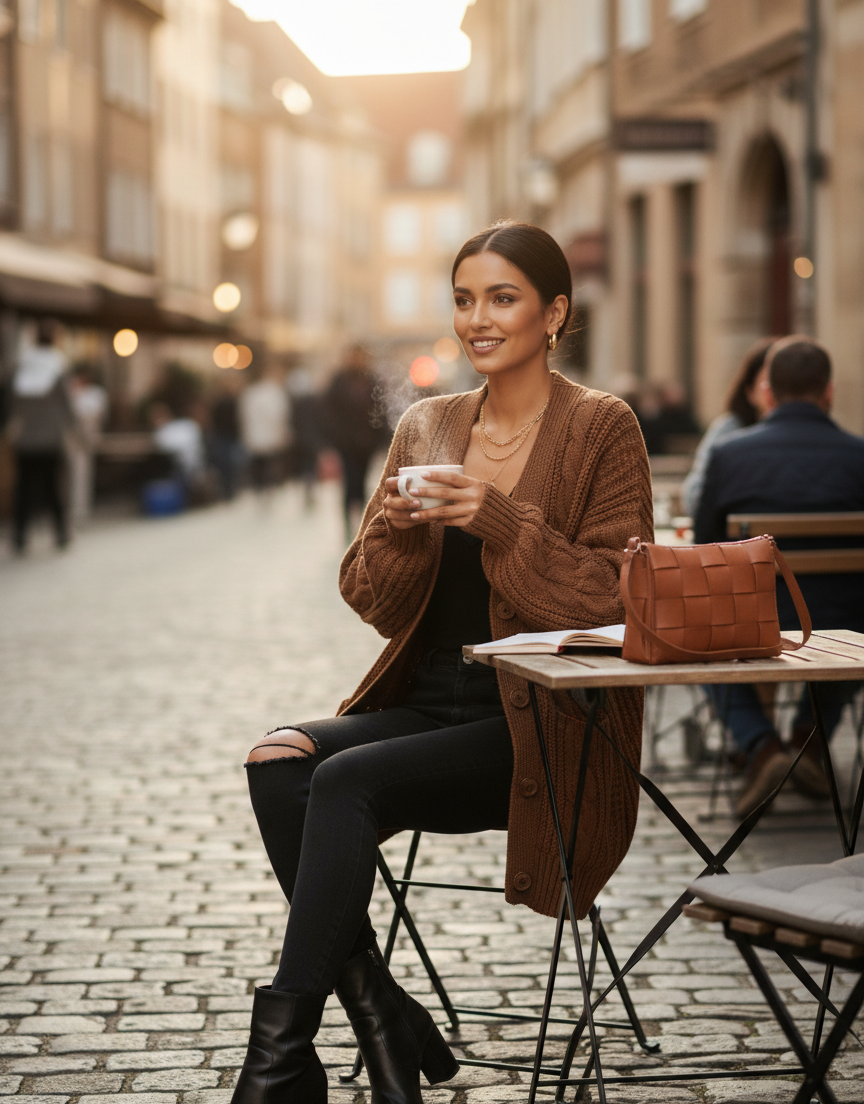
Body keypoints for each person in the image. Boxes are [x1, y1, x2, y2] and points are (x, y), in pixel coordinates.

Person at [231, 221, 654, 1104]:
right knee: (279, 761)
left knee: (346, 784)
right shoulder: (428, 423)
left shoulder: (601, 427)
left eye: (502, 298)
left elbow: (620, 596)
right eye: (464, 299)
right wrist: (393, 526)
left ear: (554, 313)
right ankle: (384, 1012)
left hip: (539, 724)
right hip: (427, 705)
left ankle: (277, 1063)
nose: (477, 318)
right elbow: (370, 599)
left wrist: (497, 520)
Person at [694, 336, 864, 817]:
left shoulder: (731, 456)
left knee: (700, 644)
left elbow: (706, 547)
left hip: (755, 623)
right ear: (828, 392)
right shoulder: (860, 456)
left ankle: (763, 746)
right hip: (850, 628)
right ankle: (808, 744)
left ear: (767, 393)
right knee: (853, 637)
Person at [682, 337, 776, 518]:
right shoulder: (728, 430)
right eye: (768, 384)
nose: (776, 392)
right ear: (751, 392)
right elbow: (695, 497)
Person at [8, 319, 75, 552]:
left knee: (23, 489)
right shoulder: (57, 364)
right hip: (50, 438)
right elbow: (67, 405)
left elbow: (12, 402)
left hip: (24, 437)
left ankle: (19, 537)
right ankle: (61, 534)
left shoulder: (23, 364)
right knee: (53, 488)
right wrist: (74, 431)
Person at [323, 345, 388, 539]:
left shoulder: (372, 379)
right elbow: (329, 412)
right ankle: (348, 525)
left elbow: (381, 410)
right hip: (346, 444)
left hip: (367, 443)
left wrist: (382, 439)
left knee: (362, 482)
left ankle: (361, 521)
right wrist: (335, 438)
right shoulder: (339, 381)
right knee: (349, 483)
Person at [239, 365, 290, 494]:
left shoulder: (250, 392)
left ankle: (260, 488)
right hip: (270, 435)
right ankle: (269, 488)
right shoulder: (274, 393)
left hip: (255, 436)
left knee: (259, 464)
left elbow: (243, 415)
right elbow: (279, 415)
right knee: (270, 464)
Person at [68, 364, 108, 525]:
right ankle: (70, 509)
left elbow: (95, 416)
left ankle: (80, 510)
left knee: (82, 474)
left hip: (85, 440)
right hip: (70, 439)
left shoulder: (95, 394)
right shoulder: (71, 393)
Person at [209, 374, 245, 500]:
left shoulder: (233, 402)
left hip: (229, 437)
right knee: (228, 465)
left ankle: (230, 489)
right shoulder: (223, 403)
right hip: (225, 437)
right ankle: (228, 489)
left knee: (231, 465)